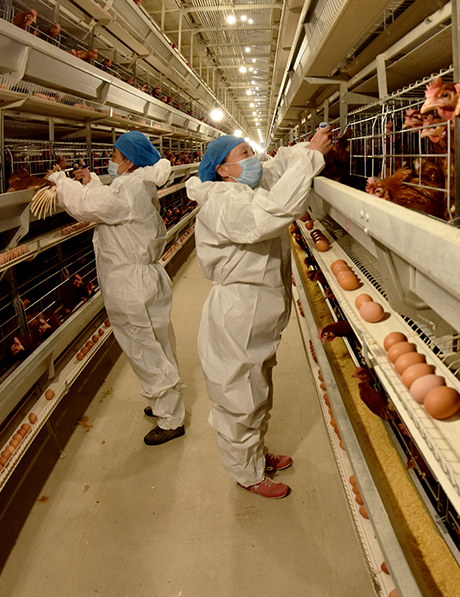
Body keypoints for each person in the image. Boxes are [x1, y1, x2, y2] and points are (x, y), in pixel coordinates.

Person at [186, 125, 333, 498]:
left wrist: (304, 148)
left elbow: (275, 168)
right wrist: (312, 157)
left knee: (256, 388)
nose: (254, 160)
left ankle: (255, 455)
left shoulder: (243, 186)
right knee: (240, 397)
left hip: (255, 310)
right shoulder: (223, 200)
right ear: (222, 169)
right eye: (244, 155)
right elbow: (272, 213)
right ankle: (247, 473)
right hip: (239, 312)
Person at [47, 131, 187, 446]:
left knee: (142, 350)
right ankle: (167, 403)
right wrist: (92, 179)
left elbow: (86, 206)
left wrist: (61, 181)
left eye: (113, 155)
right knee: (159, 344)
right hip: (146, 278)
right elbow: (109, 202)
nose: (110, 160)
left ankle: (170, 419)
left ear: (127, 161)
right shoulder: (137, 185)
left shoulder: (128, 190)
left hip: (129, 284)